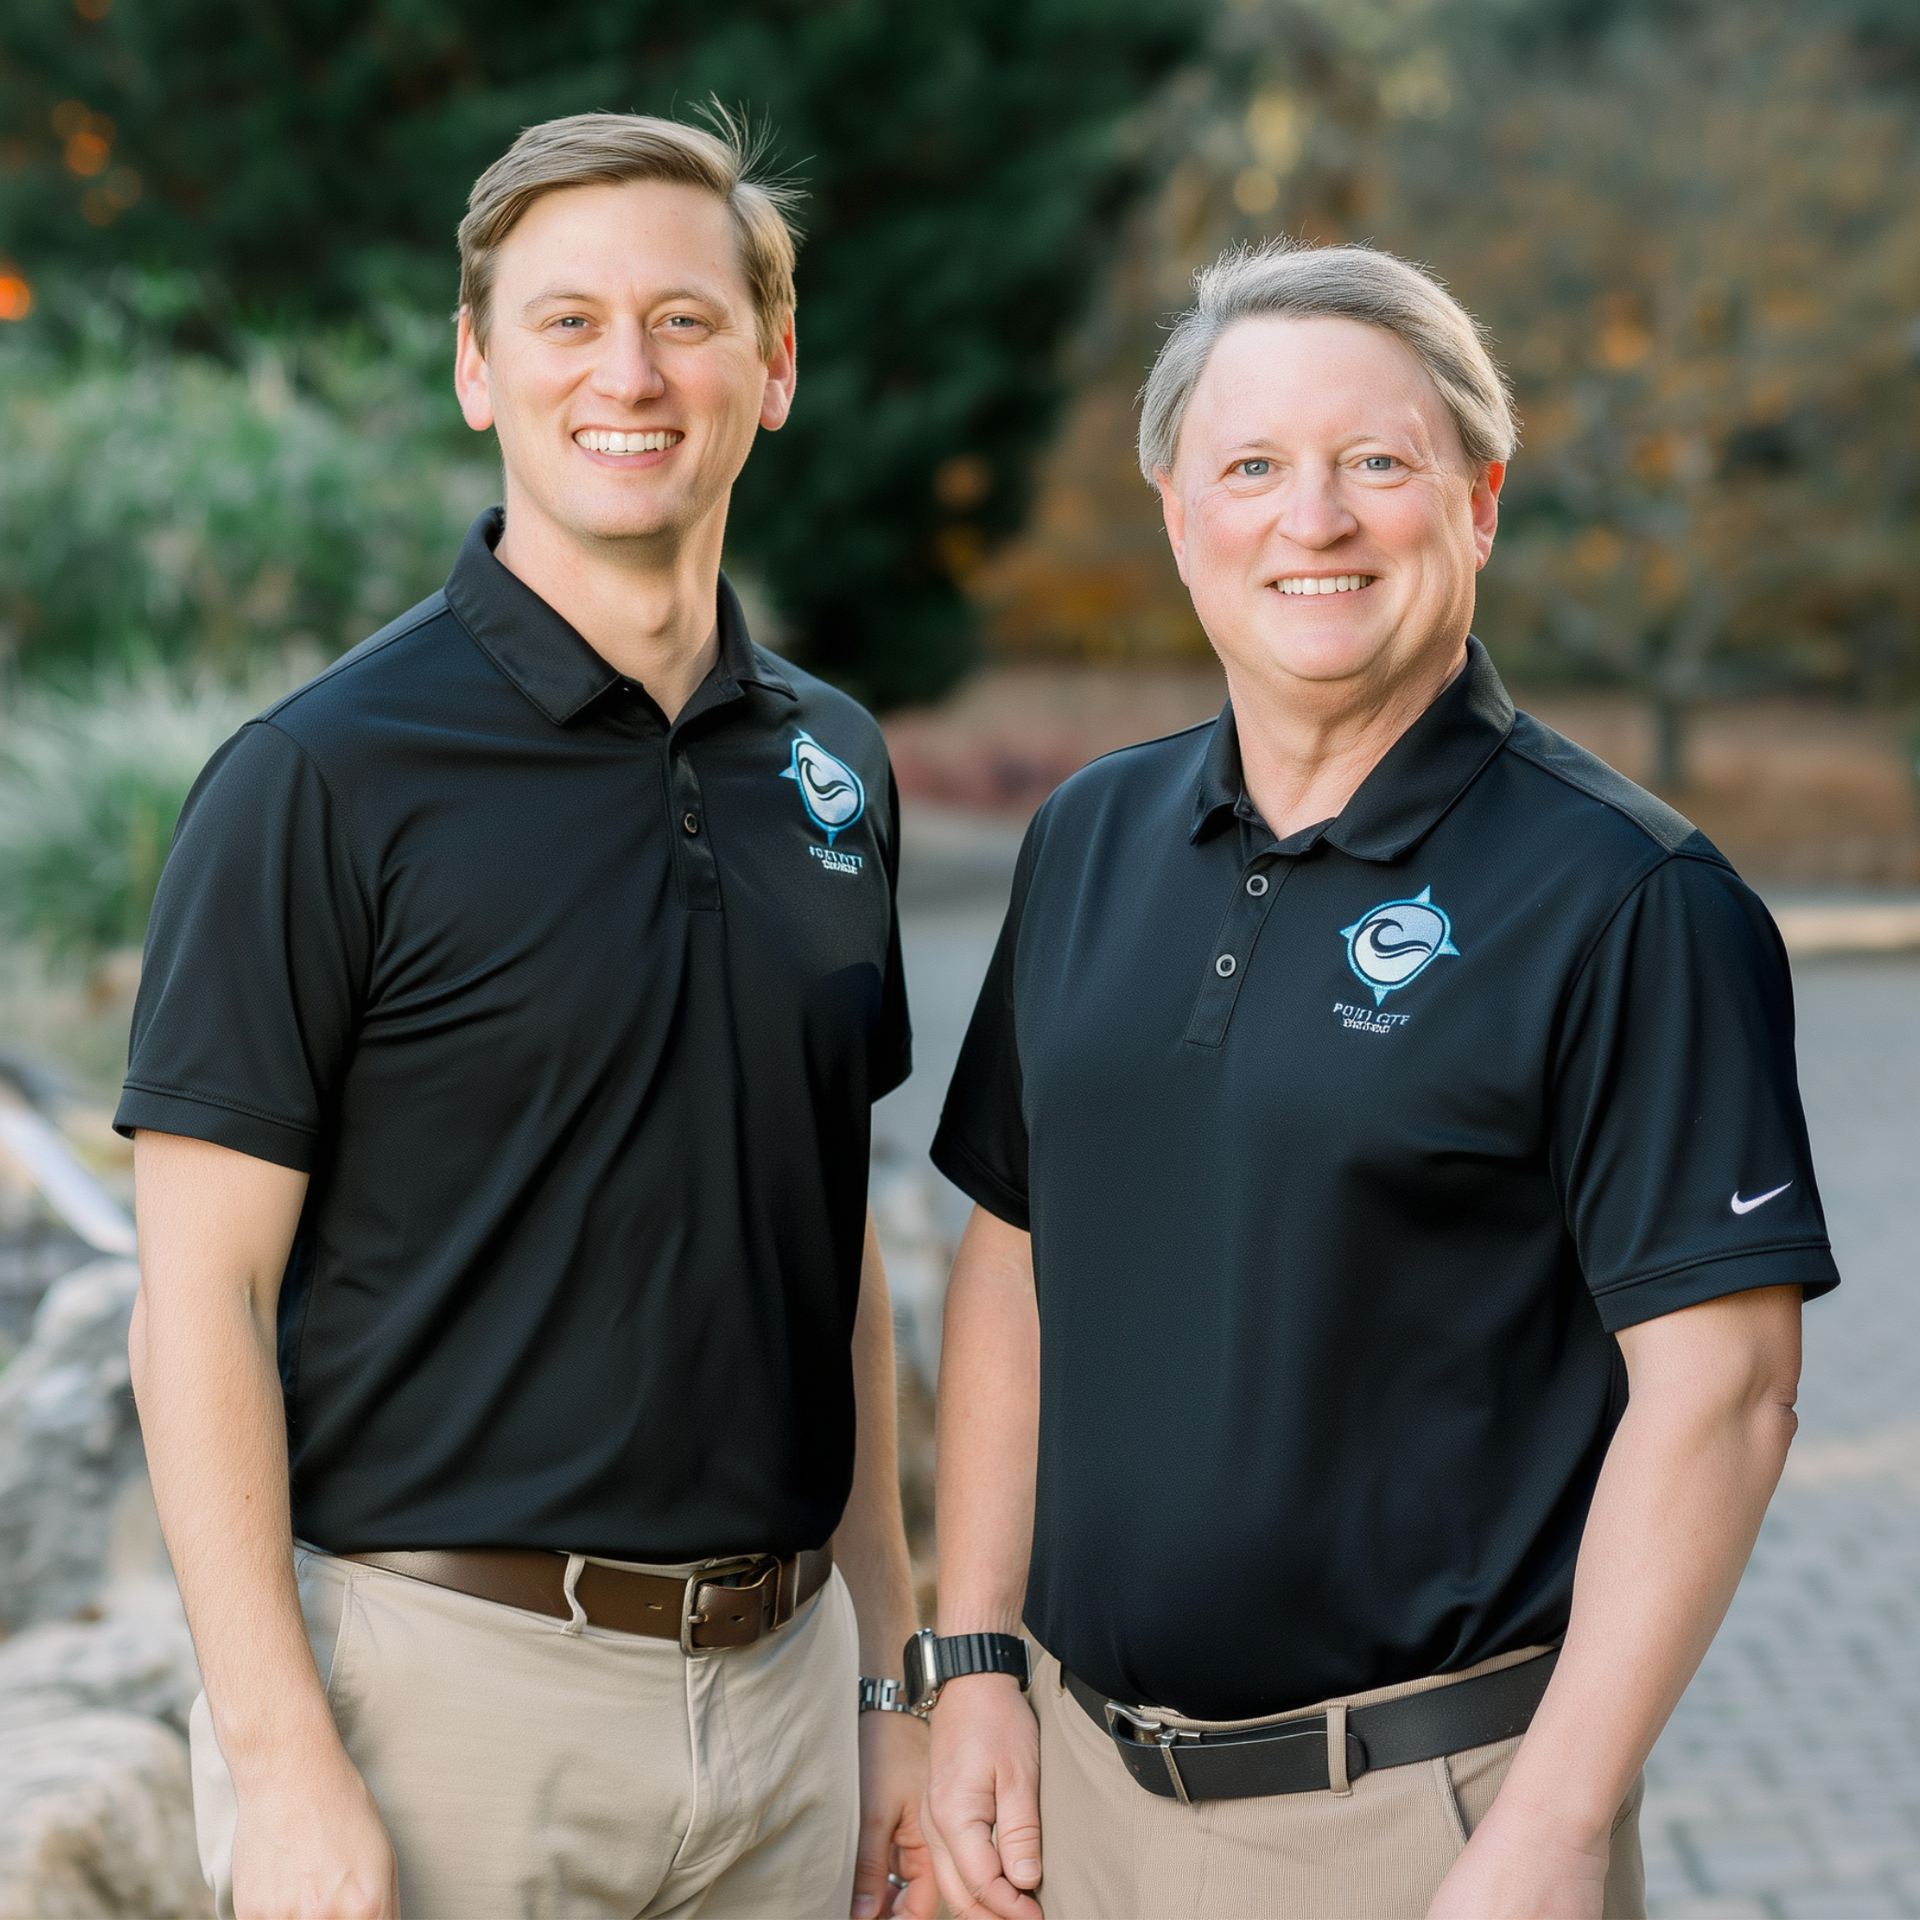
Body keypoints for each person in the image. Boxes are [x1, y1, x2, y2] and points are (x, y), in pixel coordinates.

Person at [916, 239, 1837, 1920]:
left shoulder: (1630, 900)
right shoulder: (1086, 842)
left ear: (1477, 503)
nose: (1313, 520)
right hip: (1075, 1799)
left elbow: (1726, 1395)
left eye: (1377, 465)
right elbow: (1015, 1253)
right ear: (1180, 519)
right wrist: (971, 1657)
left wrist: (1551, 1829)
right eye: (1252, 468)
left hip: (1420, 1826)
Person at [121, 112, 935, 1920]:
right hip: (443, 1704)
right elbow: (198, 1299)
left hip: (788, 1702)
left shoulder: (832, 761)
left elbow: (837, 1238)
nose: (628, 374)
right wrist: (281, 1758)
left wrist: (890, 1681)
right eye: (565, 323)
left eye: (684, 319)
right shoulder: (317, 781)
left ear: (774, 366)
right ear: (480, 370)